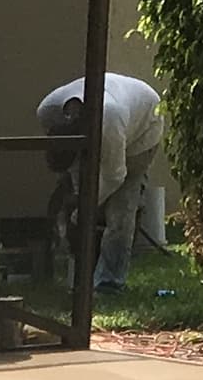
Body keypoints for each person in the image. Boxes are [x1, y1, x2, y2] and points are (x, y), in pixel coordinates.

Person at [37, 71, 168, 287]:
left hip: (144, 124)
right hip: (115, 108)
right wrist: (81, 197)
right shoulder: (48, 111)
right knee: (88, 198)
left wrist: (85, 209)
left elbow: (116, 176)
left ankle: (110, 281)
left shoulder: (109, 120)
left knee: (120, 207)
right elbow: (74, 166)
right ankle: (84, 271)